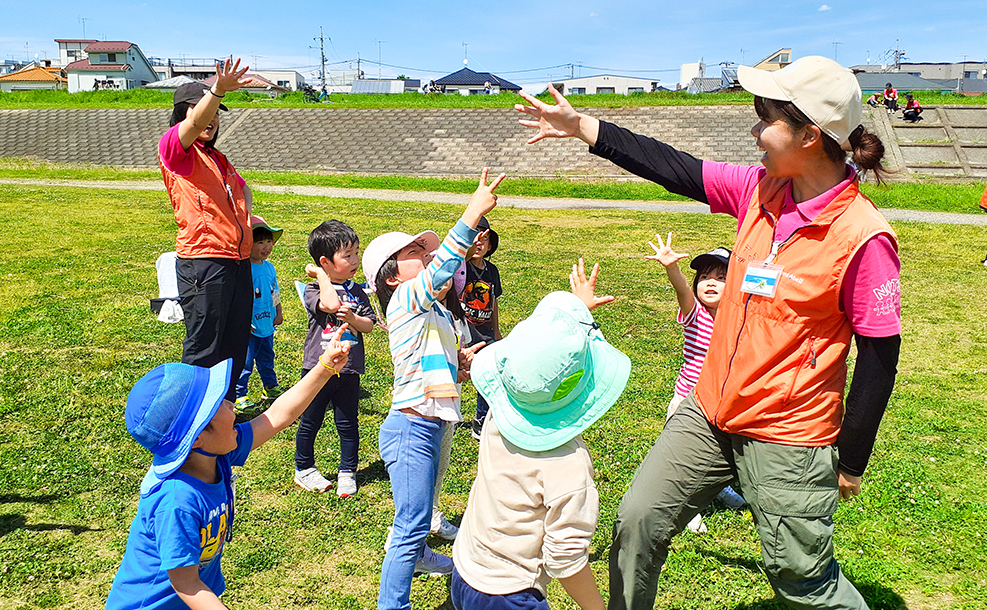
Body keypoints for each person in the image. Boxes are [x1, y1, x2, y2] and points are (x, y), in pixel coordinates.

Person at [516, 56, 901, 610]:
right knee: (637, 523)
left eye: (765, 117)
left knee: (803, 582)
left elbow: (880, 357)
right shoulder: (759, 189)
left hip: (787, 434)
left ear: (811, 135)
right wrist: (583, 129)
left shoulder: (863, 237)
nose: (754, 131)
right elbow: (674, 166)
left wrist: (852, 458)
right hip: (708, 410)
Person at [105, 326, 350, 610]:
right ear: (197, 437)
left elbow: (280, 415)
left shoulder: (216, 453)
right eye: (218, 404)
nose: (232, 405)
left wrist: (325, 366)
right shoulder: (177, 501)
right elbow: (186, 584)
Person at [451, 260, 630, 610]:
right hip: (512, 593)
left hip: (466, 571)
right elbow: (565, 559)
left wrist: (577, 310)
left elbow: (540, 348)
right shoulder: (569, 466)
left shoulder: (498, 419)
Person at [362, 168, 504, 610]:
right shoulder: (404, 300)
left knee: (421, 513)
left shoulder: (435, 314)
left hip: (435, 422)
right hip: (411, 427)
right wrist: (473, 211)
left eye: (422, 249)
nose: (425, 255)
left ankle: (420, 555)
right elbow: (445, 263)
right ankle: (394, 604)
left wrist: (460, 364)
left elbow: (434, 361)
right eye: (413, 253)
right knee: (409, 522)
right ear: (391, 277)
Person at [159, 58, 253, 401]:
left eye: (216, 113)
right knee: (204, 347)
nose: (211, 120)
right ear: (184, 113)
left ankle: (221, 412)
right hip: (204, 262)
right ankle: (191, 418)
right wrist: (216, 90)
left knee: (234, 344)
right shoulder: (176, 150)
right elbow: (195, 120)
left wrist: (245, 221)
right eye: (203, 112)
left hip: (237, 261)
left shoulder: (217, 157)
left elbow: (243, 189)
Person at [646, 236, 746, 534]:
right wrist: (671, 267)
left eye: (721, 277)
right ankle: (686, 506)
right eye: (704, 277)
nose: (710, 282)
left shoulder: (738, 319)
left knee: (719, 450)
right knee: (682, 457)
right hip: (688, 401)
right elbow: (682, 289)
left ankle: (717, 489)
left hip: (722, 399)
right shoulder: (695, 315)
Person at [295, 220, 377, 497]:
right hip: (318, 367)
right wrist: (320, 275)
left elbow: (369, 324)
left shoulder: (358, 291)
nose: (355, 260)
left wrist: (354, 318)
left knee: (347, 422)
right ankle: (304, 468)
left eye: (356, 253)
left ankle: (347, 471)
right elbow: (329, 305)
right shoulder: (313, 289)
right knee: (311, 420)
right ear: (325, 262)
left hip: (350, 368)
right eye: (347, 255)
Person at [234, 216, 285, 415]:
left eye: (269, 242)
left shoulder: (269, 267)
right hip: (249, 326)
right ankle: (239, 394)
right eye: (259, 242)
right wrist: (242, 320)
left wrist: (278, 312)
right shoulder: (243, 268)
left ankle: (270, 387)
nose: (266, 247)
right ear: (247, 243)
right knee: (245, 361)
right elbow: (238, 297)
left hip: (267, 322)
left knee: (267, 357)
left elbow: (275, 291)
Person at [460, 216, 503, 440]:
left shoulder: (492, 271)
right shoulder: (461, 268)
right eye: (473, 238)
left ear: (490, 246)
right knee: (455, 373)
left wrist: (496, 332)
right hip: (462, 332)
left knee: (488, 374)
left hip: (485, 334)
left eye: (484, 240)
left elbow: (493, 302)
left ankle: (481, 418)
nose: (478, 243)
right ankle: (451, 415)